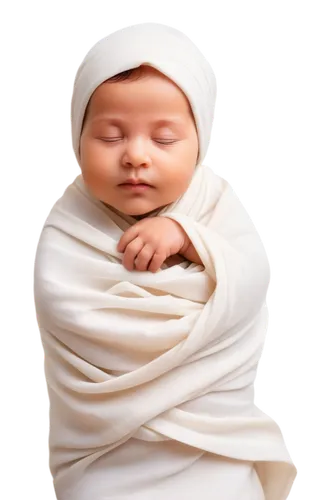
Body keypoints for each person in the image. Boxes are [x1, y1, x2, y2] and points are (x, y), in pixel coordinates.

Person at [32, 21, 297, 500]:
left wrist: (189, 237)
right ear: (75, 137)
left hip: (214, 448)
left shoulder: (217, 207)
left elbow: (251, 281)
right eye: (111, 137)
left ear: (199, 143)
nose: (135, 155)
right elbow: (63, 305)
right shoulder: (68, 227)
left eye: (164, 139)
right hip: (108, 458)